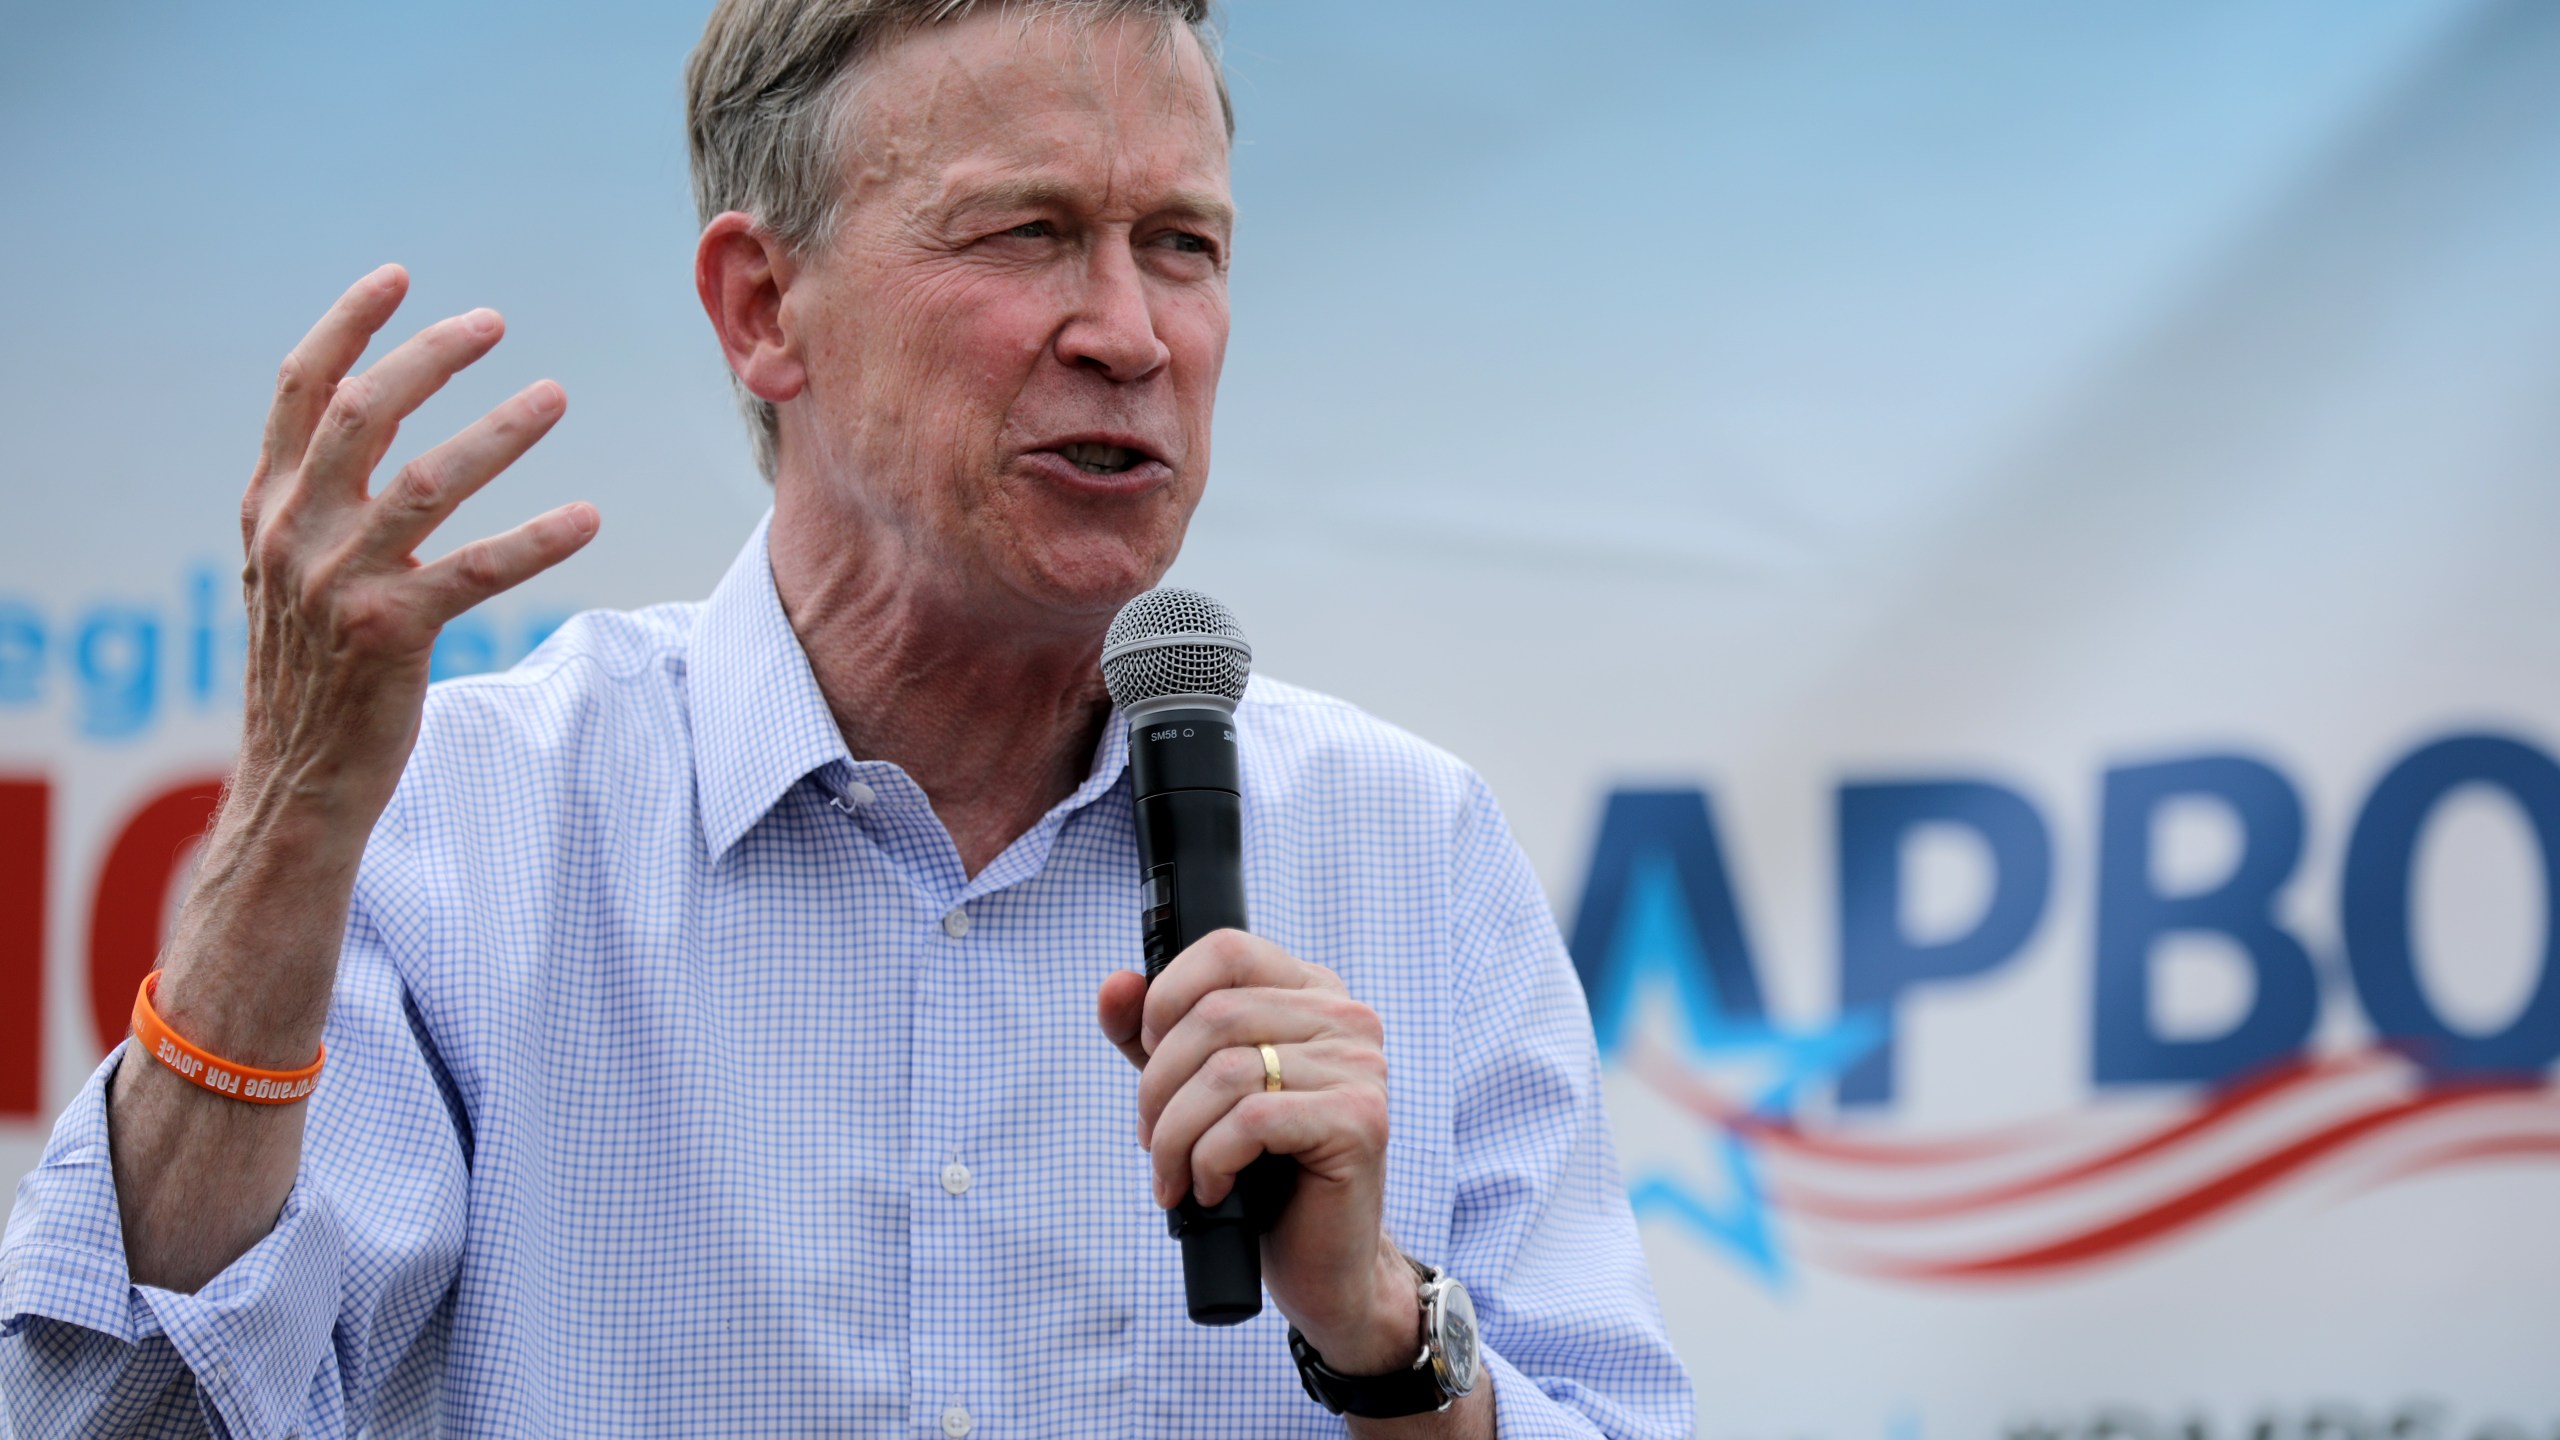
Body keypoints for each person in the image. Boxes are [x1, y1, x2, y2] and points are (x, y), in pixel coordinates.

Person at [0, 1, 1692, 1435]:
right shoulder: (472, 823)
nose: (1129, 332)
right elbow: (108, 1415)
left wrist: (1392, 1339)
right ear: (762, 310)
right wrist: (298, 813)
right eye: (1027, 232)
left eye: (1182, 244)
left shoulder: (1409, 841)